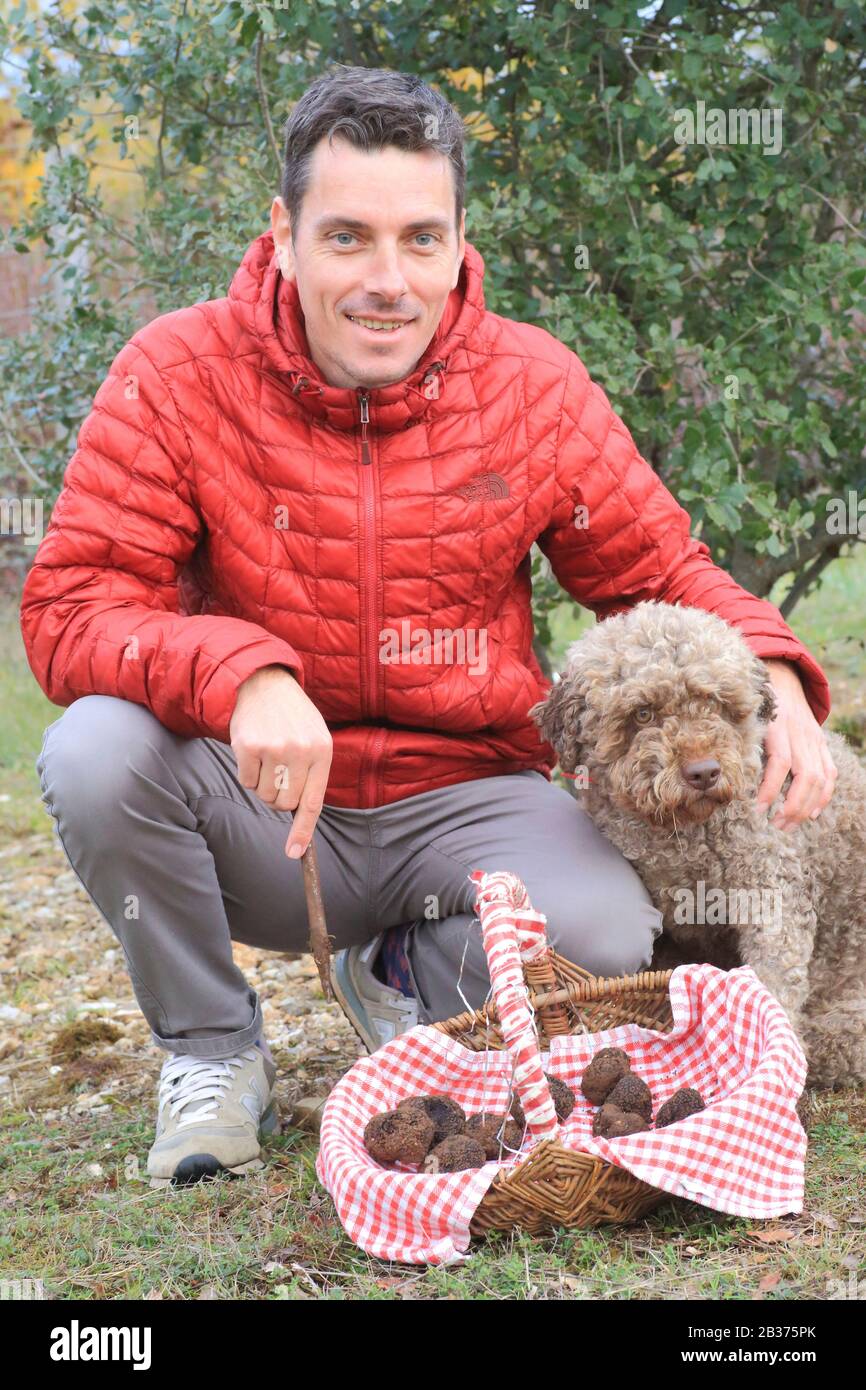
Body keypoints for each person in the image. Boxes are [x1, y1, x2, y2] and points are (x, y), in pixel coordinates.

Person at [21, 66, 836, 1184]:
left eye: (420, 238)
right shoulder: (175, 372)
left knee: (604, 933)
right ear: (284, 233)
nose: (387, 281)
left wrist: (773, 669)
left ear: (459, 241)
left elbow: (662, 568)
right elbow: (71, 607)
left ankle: (407, 976)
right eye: (348, 237)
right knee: (95, 753)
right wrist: (240, 674)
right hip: (267, 816)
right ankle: (212, 1051)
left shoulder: (531, 385)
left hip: (466, 804)